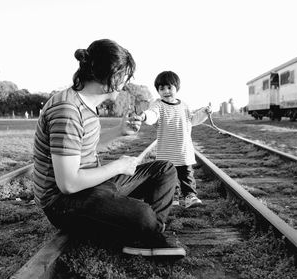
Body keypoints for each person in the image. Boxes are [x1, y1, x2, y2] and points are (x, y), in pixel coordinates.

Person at [33, 39, 185, 258]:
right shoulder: (66, 110)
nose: (124, 85)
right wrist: (118, 166)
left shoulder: (85, 103)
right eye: (125, 77)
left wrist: (119, 131)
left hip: (93, 186)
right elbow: (68, 183)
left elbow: (83, 144)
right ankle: (146, 230)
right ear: (112, 76)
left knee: (165, 170)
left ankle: (149, 233)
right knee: (143, 215)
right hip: (63, 203)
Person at [136, 71, 211, 208]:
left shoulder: (184, 105)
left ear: (177, 88)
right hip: (166, 151)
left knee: (187, 175)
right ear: (158, 91)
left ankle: (190, 196)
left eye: (169, 87)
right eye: (161, 88)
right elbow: (153, 114)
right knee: (170, 177)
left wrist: (204, 112)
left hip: (183, 150)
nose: (166, 91)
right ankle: (173, 197)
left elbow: (193, 120)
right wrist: (145, 116)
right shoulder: (158, 105)